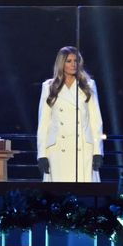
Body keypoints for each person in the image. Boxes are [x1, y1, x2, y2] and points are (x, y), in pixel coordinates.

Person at [36, 46, 104, 182]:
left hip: (83, 150)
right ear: (61, 63)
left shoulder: (88, 85)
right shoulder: (49, 87)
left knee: (84, 194)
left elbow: (96, 121)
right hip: (57, 151)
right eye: (69, 61)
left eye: (76, 60)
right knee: (59, 195)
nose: (73, 64)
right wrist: (41, 154)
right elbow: (43, 123)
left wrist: (98, 152)